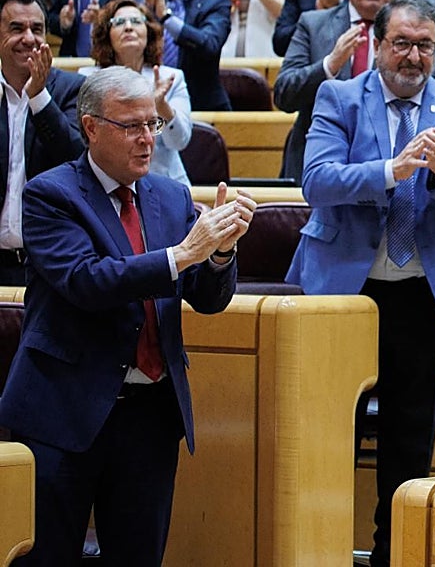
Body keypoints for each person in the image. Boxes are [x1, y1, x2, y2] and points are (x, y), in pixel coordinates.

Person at [0, 67, 255, 566]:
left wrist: (221, 253)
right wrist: (184, 254)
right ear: (91, 127)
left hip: (149, 417)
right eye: (132, 126)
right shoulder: (51, 195)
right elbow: (87, 281)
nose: (147, 139)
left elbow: (206, 298)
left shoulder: (170, 196)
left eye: (152, 124)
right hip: (64, 412)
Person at [287, 0, 435, 566]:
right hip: (345, 295)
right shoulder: (339, 98)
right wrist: (391, 170)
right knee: (334, 437)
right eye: (401, 43)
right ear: (378, 45)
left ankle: (392, 557)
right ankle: (321, 553)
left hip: (425, 296)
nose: (413, 56)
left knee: (410, 441)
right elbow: (316, 181)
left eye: (425, 45)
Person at [274, 0, 398, 181]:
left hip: (386, 168)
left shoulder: (410, 34)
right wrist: (329, 65)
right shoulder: (313, 24)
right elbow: (283, 94)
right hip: (316, 165)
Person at [0, 0, 85, 286]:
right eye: (16, 28)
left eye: (36, 29)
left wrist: (39, 98)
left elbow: (78, 159)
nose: (28, 38)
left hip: (52, 263)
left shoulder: (73, 89)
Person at [83, 0, 193, 184]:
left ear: (148, 32)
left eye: (136, 21)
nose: (128, 27)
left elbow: (180, 142)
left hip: (165, 183)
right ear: (107, 35)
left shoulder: (171, 78)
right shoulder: (88, 79)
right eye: (119, 22)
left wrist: (162, 107)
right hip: (106, 183)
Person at [140, 0, 233, 111]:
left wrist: (166, 18)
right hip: (145, 105)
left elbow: (210, 45)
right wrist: (147, 9)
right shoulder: (140, 2)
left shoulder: (215, 3)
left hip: (201, 106)